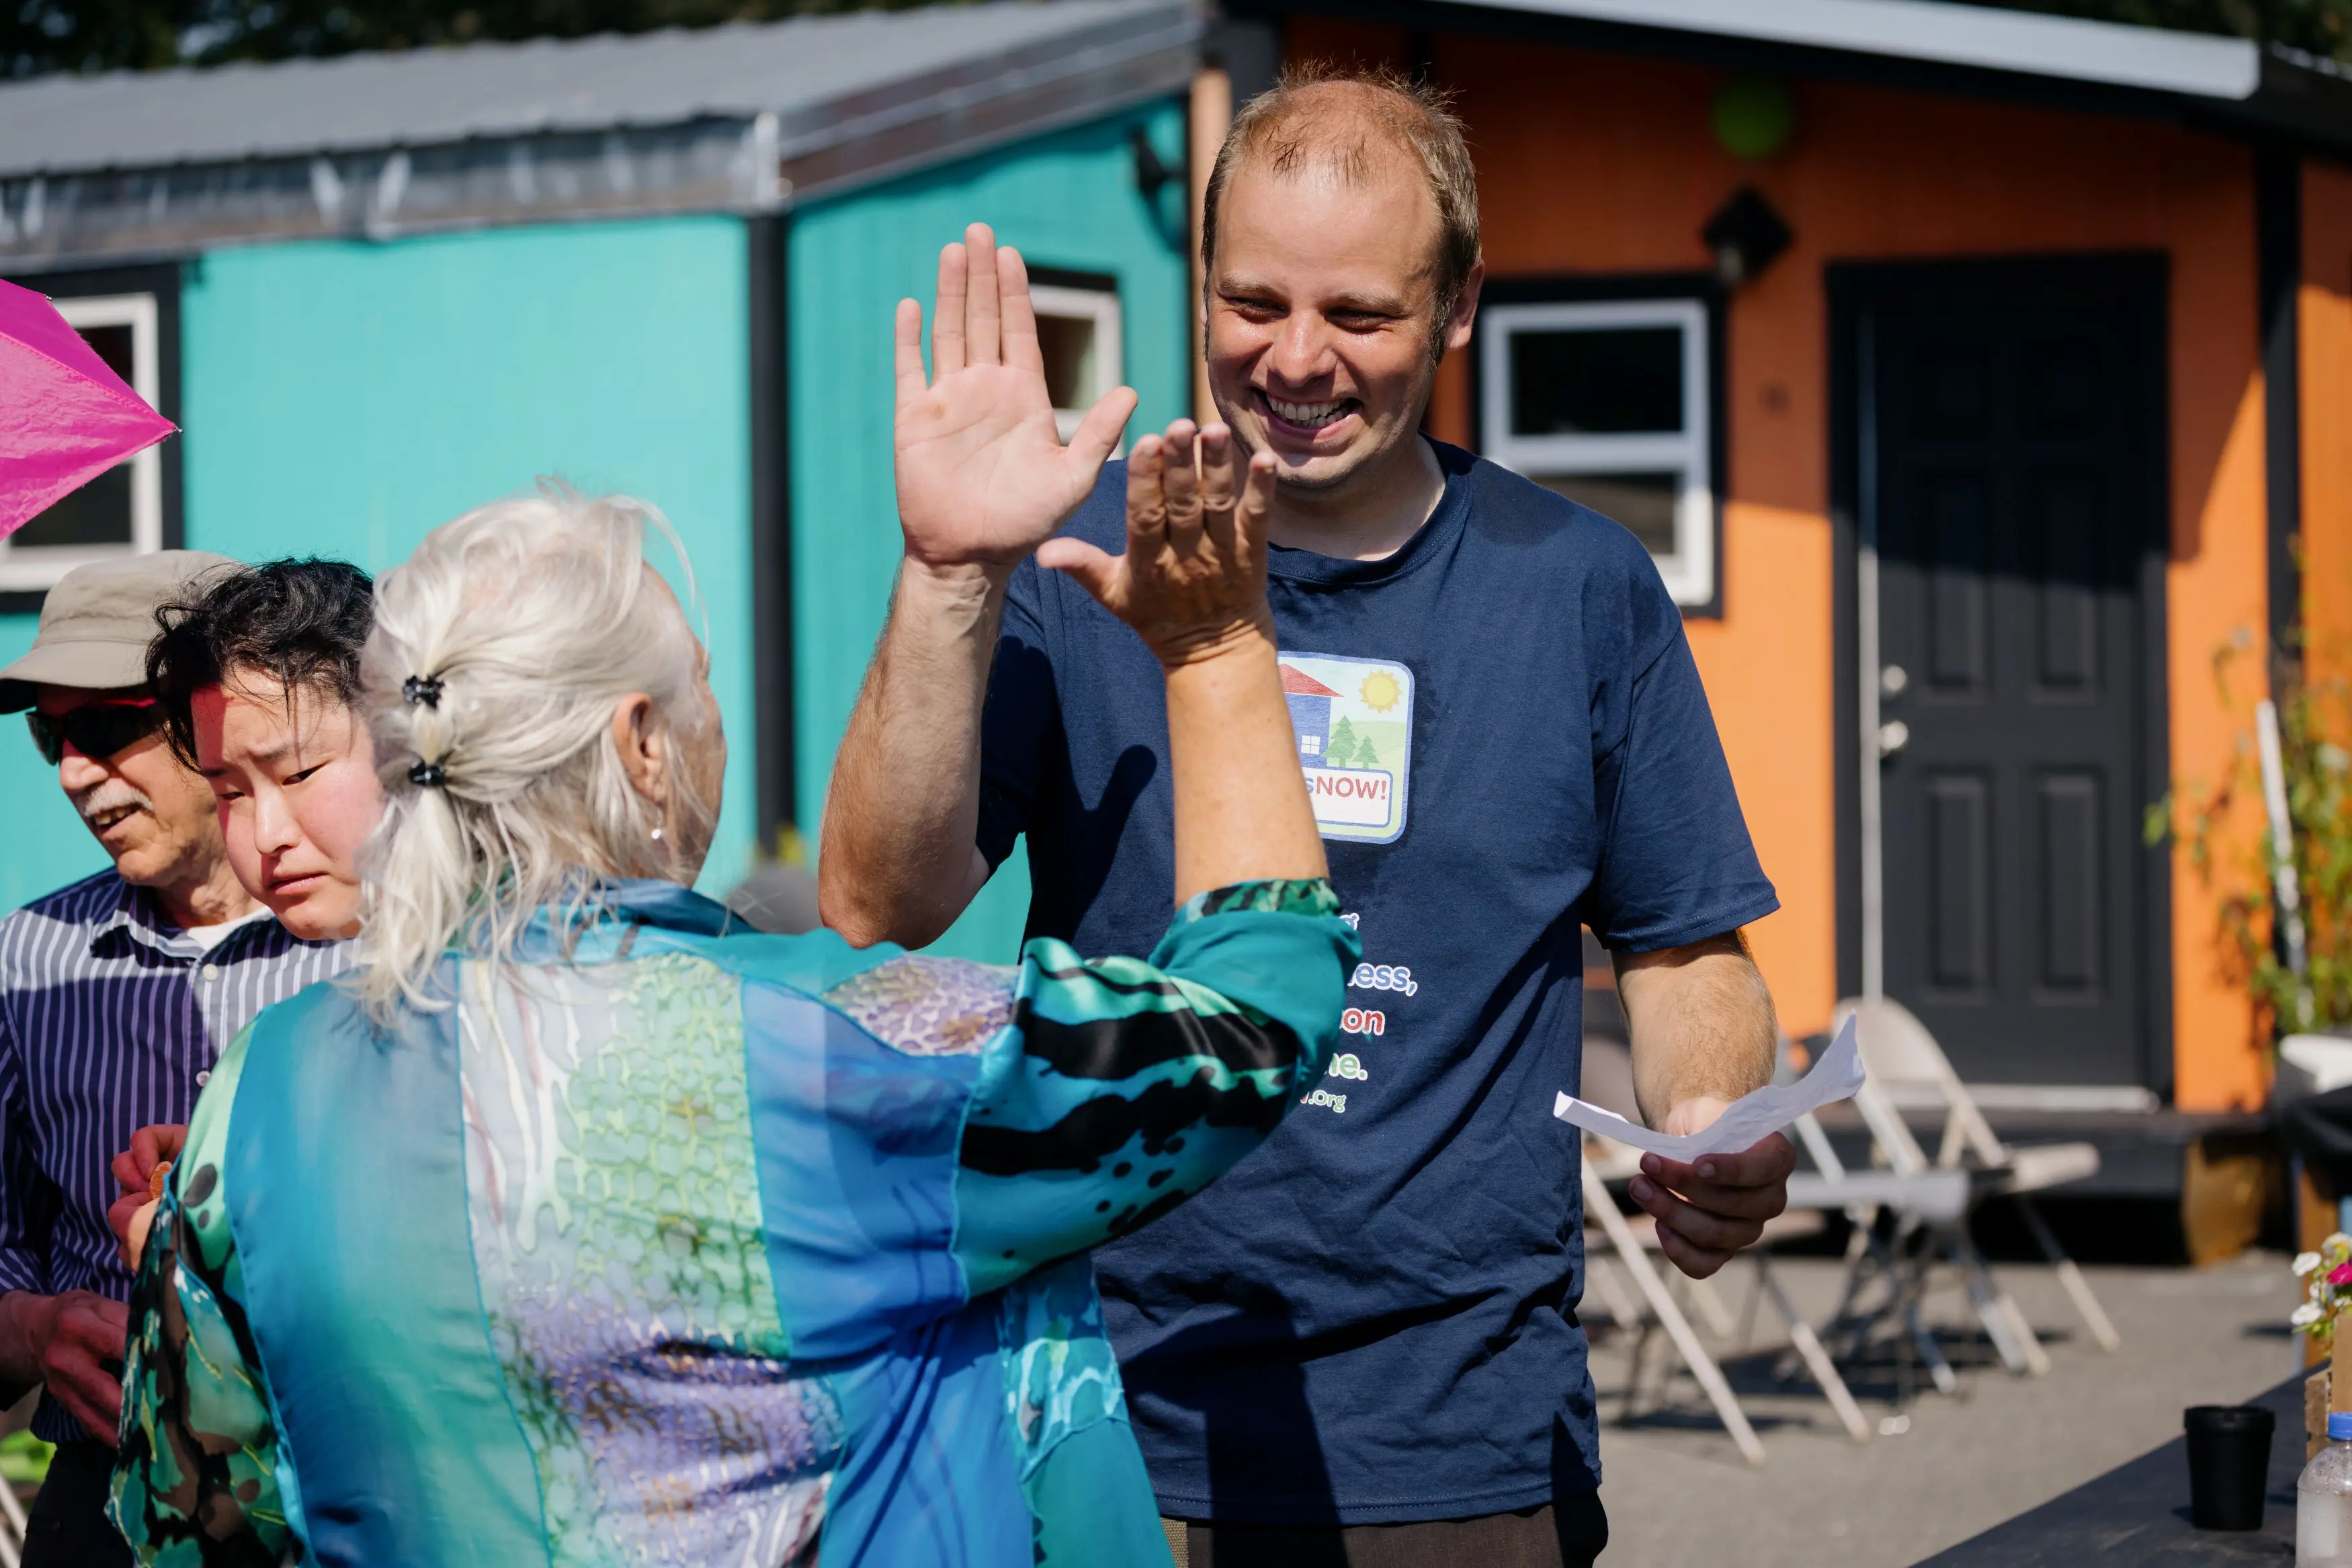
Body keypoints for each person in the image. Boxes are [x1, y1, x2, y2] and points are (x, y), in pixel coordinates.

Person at [821, 64, 1794, 1565]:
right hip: (1099, 1409)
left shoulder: (1577, 588)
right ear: (1200, 284)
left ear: (1460, 304)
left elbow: (1682, 948)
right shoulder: (1071, 569)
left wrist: (1710, 1118)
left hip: (1455, 1427)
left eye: (1357, 316)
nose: (1295, 360)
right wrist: (948, 573)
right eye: (1253, 303)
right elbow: (880, 905)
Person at [108, 481, 1357, 1567]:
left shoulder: (258, 1094)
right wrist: (1217, 649)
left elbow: (196, 1514)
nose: (714, 716)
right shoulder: (837, 1047)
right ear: (642, 744)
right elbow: (1252, 1028)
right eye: (698, 684)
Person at [0, 554, 352, 1568]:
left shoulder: (389, 940)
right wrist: (37, 1330)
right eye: (48, 736)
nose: (73, 772)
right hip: (106, 1515)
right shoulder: (25, 963)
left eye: (104, 728)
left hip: (340, 1507)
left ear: (211, 718)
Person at [99, 558, 382, 1264]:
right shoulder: (283, 1046)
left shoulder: (505, 988)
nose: (266, 835)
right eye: (230, 791)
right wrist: (225, 1156)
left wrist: (190, 1261)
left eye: (299, 775)